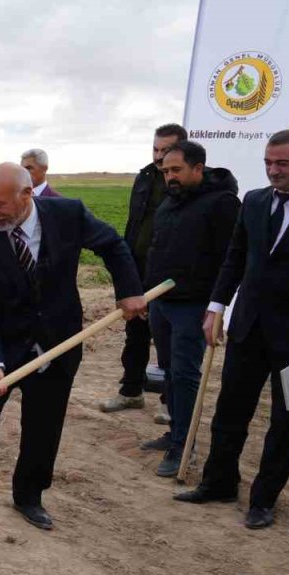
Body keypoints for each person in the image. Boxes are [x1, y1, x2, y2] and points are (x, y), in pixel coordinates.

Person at [0, 163, 144, 536]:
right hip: (1, 343)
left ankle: (29, 496)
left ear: (26, 194)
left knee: (44, 424)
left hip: (58, 340)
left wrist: (129, 290)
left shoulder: (68, 214)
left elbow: (112, 244)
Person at [175, 130, 289, 529]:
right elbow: (235, 258)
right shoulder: (254, 201)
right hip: (248, 328)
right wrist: (216, 306)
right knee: (230, 411)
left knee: (287, 422)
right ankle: (219, 483)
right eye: (268, 163)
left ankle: (264, 500)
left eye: (282, 163)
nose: (273, 171)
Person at [142, 141, 240, 477]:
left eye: (176, 170)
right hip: (162, 302)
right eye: (165, 171)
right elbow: (158, 248)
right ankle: (175, 432)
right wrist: (147, 294)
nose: (169, 176)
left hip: (193, 305)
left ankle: (184, 446)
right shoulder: (172, 200)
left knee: (185, 375)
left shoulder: (222, 204)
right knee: (169, 371)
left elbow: (231, 260)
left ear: (198, 168)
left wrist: (216, 307)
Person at [101, 124, 187, 428]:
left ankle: (169, 401)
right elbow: (133, 224)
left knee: (168, 341)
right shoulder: (145, 177)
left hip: (169, 276)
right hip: (138, 269)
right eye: (155, 149)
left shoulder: (187, 183)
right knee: (135, 334)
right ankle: (131, 391)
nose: (159, 156)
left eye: (166, 150)